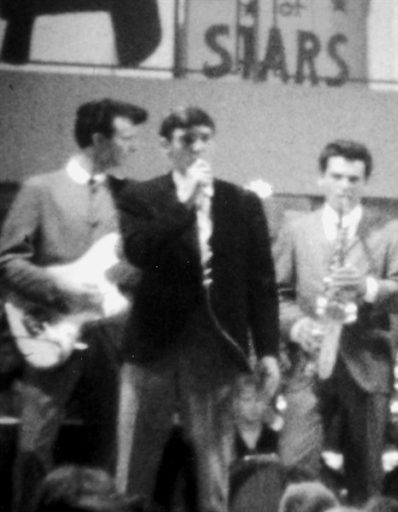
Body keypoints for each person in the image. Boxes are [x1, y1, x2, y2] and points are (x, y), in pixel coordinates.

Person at [115, 106, 280, 512]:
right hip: (152, 349)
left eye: (205, 137)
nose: (198, 147)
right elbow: (141, 252)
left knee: (213, 478)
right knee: (133, 471)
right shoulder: (141, 196)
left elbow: (261, 283)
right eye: (188, 139)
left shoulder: (240, 201)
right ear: (165, 146)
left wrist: (270, 349)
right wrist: (184, 201)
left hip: (214, 350)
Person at [0, 98, 147, 512]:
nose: (133, 146)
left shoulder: (129, 197)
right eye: (126, 137)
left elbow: (136, 267)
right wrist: (62, 289)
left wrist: (133, 273)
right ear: (98, 140)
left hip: (108, 336)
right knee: (33, 447)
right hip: (49, 330)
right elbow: (10, 260)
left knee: (111, 448)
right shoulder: (40, 189)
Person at [273, 139, 398, 504]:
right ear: (321, 179)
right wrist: (296, 326)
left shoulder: (390, 230)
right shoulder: (297, 229)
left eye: (354, 179)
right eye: (337, 177)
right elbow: (277, 294)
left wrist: (369, 287)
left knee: (366, 477)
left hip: (367, 365)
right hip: (309, 363)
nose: (345, 186)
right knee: (294, 462)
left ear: (366, 183)